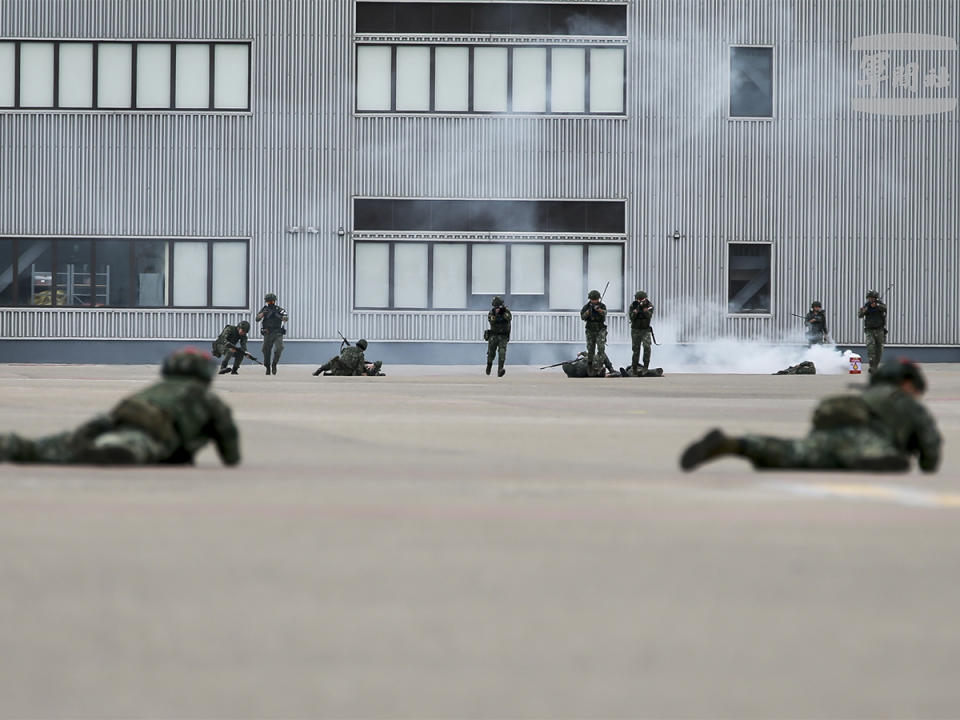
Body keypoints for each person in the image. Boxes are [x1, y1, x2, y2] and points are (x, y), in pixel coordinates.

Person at [680, 359, 941, 473]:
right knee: (894, 461)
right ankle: (861, 460)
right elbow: (931, 455)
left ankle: (736, 444)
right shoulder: (908, 405)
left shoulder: (866, 395)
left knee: (792, 451)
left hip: (827, 435)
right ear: (907, 384)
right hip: (864, 444)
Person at [0, 348, 240, 466]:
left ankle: (14, 444)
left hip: (116, 418)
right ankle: (101, 450)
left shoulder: (158, 386)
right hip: (152, 431)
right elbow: (230, 449)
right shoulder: (209, 400)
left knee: (52, 446)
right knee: (125, 448)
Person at [312, 339, 383, 376]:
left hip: (337, 365)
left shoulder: (348, 348)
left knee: (334, 361)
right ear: (364, 348)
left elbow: (342, 352)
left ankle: (319, 370)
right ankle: (330, 373)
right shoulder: (361, 355)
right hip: (344, 370)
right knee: (349, 371)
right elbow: (359, 370)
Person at [256, 292, 288, 376]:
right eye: (269, 302)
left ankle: (274, 364)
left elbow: (285, 315)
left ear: (274, 301)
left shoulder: (279, 309)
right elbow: (257, 318)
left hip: (277, 333)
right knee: (265, 350)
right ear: (266, 302)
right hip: (268, 333)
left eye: (272, 301)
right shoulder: (264, 309)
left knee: (279, 348)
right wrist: (263, 314)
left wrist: (283, 317)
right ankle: (267, 366)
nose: (270, 303)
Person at [858, 290, 887, 373]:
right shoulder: (867, 306)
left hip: (880, 330)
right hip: (869, 330)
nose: (870, 299)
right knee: (870, 347)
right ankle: (871, 365)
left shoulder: (880, 305)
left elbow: (885, 308)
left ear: (875, 298)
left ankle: (875, 366)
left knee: (879, 349)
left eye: (872, 298)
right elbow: (860, 315)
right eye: (869, 298)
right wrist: (863, 310)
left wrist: (877, 306)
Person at [580, 289, 608, 377]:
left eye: (596, 299)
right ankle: (590, 365)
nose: (595, 301)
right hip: (590, 330)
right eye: (593, 299)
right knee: (591, 349)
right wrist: (588, 312)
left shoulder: (602, 306)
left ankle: (600, 366)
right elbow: (582, 316)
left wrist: (599, 310)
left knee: (601, 348)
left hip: (600, 330)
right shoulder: (586, 307)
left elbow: (605, 313)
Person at [628, 290, 655, 375]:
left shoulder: (649, 305)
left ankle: (645, 367)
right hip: (635, 330)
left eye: (642, 300)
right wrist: (635, 312)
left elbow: (649, 315)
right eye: (638, 300)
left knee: (647, 347)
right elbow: (631, 318)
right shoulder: (633, 305)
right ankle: (634, 368)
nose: (640, 301)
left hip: (645, 330)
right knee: (636, 349)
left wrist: (645, 310)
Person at [485, 296, 512, 377]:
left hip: (503, 336)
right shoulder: (491, 312)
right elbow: (492, 321)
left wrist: (503, 312)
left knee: (502, 352)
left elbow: (509, 318)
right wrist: (496, 314)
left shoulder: (506, 312)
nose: (498, 308)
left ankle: (500, 369)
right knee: (491, 353)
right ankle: (489, 365)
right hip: (494, 335)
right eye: (496, 307)